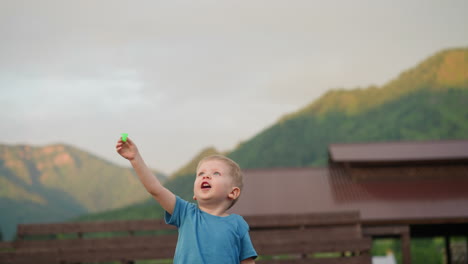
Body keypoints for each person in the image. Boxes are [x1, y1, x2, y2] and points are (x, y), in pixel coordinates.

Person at [116, 137, 257, 264]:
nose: (205, 176)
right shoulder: (186, 213)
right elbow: (156, 189)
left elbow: (247, 261)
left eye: (216, 173)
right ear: (194, 194)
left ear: (233, 192)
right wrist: (135, 159)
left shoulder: (237, 224)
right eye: (201, 173)